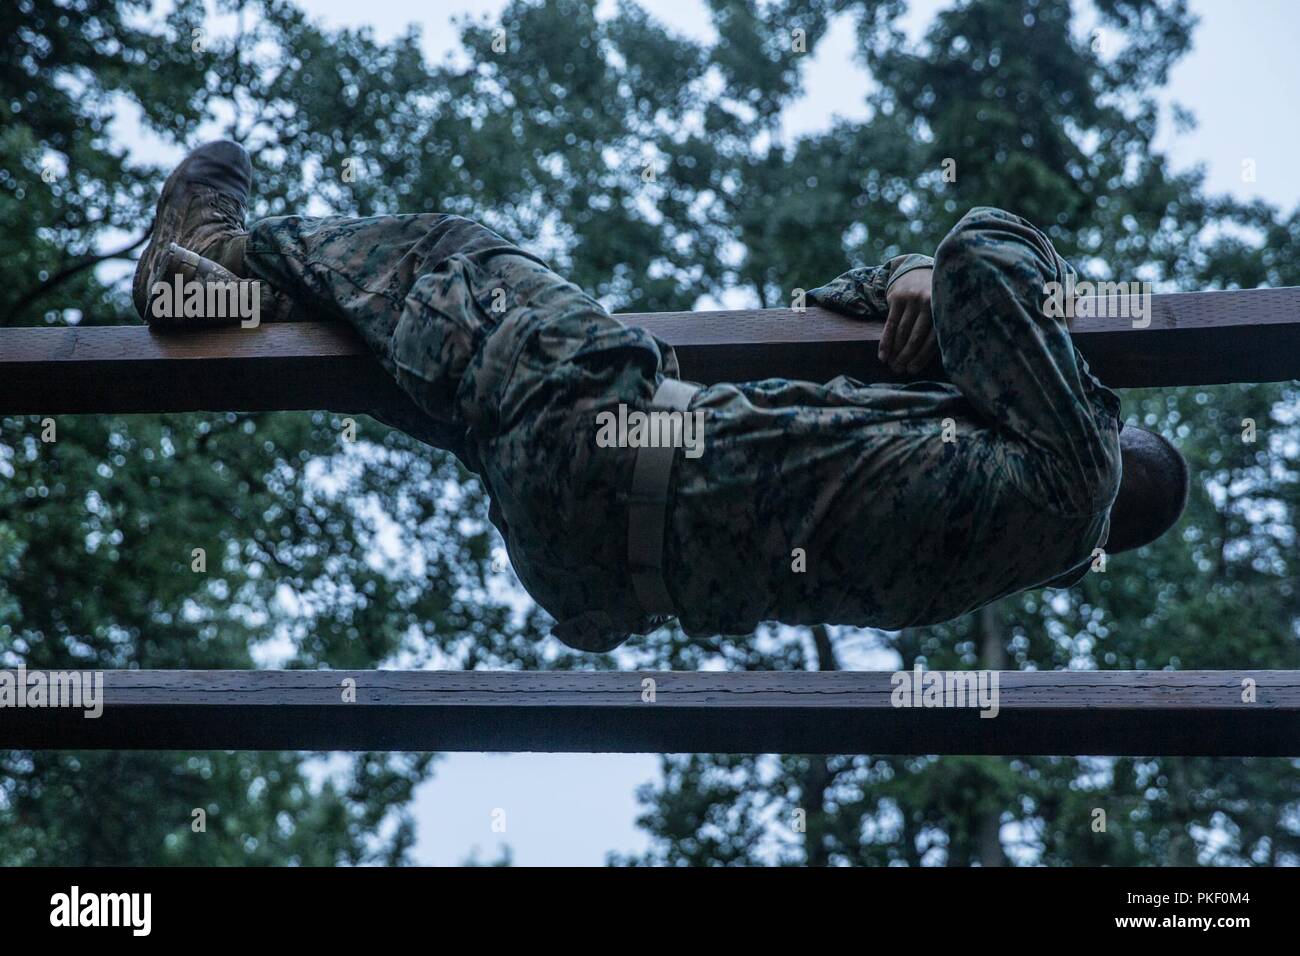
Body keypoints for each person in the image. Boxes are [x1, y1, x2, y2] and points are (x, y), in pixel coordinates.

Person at [134, 141, 1189, 652]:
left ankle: (210, 254)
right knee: (420, 353)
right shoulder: (978, 544)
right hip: (592, 573)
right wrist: (897, 299)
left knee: (452, 255)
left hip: (609, 437)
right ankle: (243, 293)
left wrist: (916, 266)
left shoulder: (1073, 465)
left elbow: (980, 259)